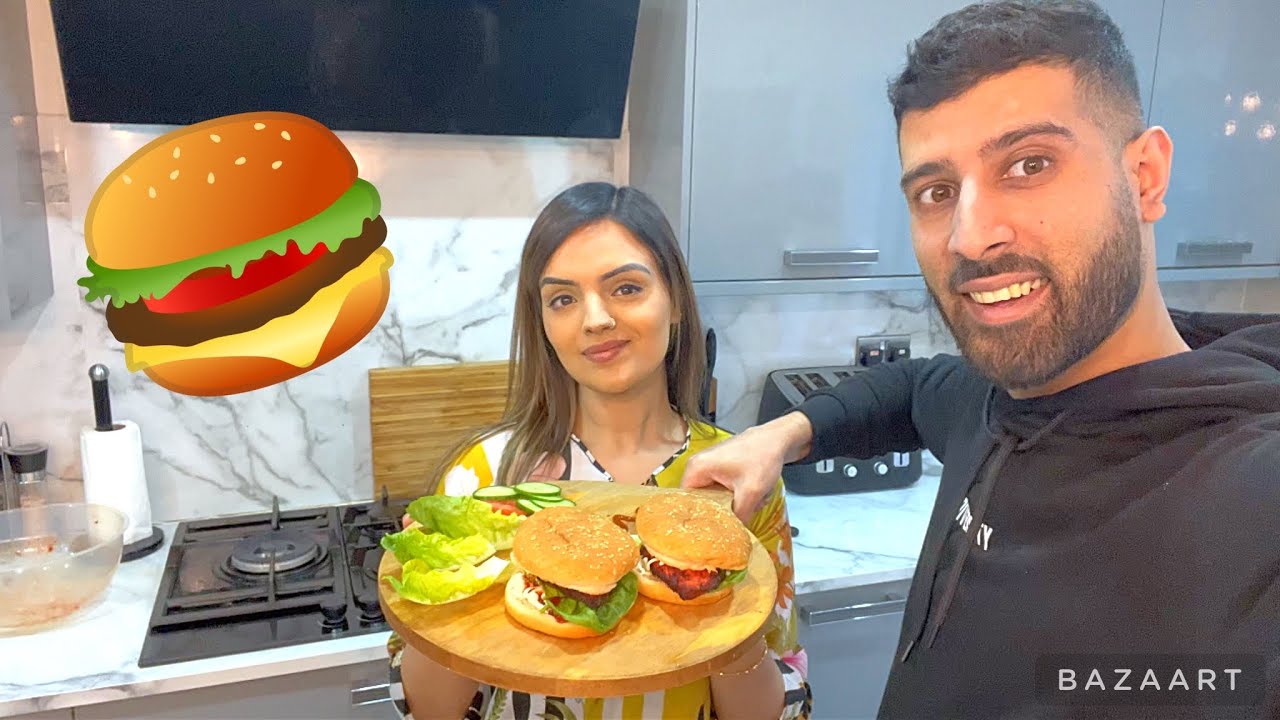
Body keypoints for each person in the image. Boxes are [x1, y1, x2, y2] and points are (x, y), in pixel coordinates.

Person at [681, 1, 1280, 718]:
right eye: (936, 191)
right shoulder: (997, 401)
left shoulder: (1250, 495)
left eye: (1029, 164)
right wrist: (779, 436)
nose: (969, 235)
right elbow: (909, 390)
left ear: (1145, 177)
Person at [386, 182, 813, 720]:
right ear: (542, 322)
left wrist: (731, 613)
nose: (595, 319)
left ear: (675, 299)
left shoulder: (740, 479)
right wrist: (450, 597)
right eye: (562, 298)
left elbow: (776, 708)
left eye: (626, 288)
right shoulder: (485, 479)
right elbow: (431, 712)